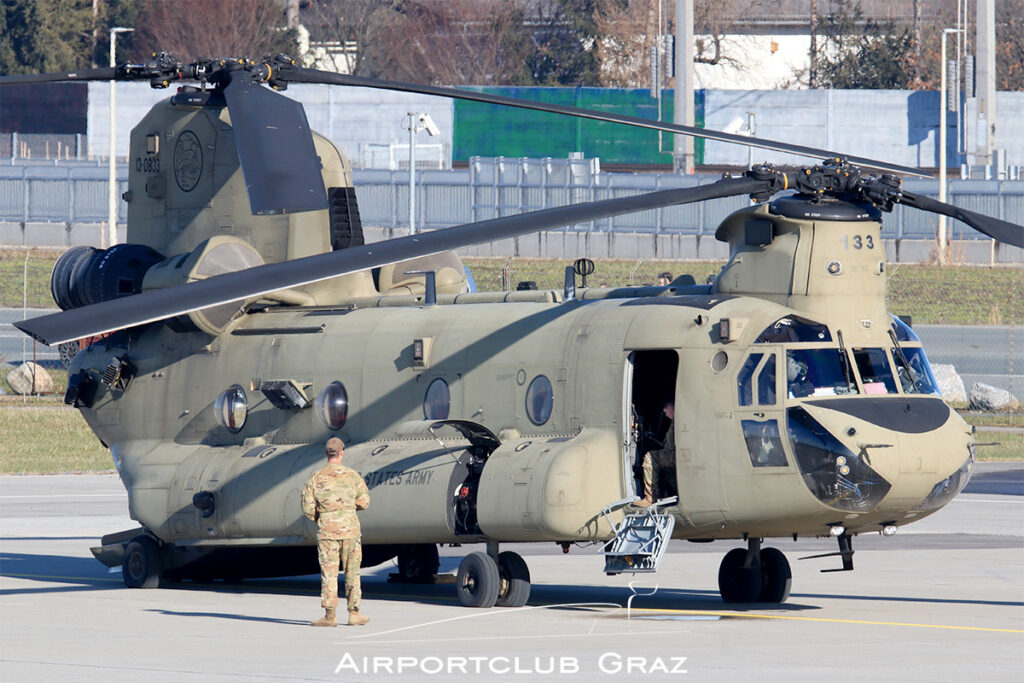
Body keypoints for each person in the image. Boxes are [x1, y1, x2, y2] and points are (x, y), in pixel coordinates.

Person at [301, 437, 371, 627]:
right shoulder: (353, 476)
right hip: (350, 531)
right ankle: (354, 613)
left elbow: (307, 509)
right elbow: (365, 502)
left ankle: (330, 616)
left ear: (327, 454)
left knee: (329, 574)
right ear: (342, 453)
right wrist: (347, 510)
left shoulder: (316, 477)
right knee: (353, 572)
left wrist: (323, 517)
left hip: (327, 533)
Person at [637, 401, 676, 507]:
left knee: (650, 457)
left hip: (675, 457)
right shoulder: (676, 421)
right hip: (678, 458)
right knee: (666, 471)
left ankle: (650, 497)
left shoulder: (677, 422)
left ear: (673, 407)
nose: (664, 411)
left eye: (666, 407)